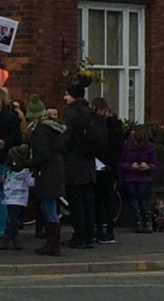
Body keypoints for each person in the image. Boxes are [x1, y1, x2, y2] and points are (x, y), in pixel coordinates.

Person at [24, 95, 66, 256]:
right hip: (55, 171)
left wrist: (27, 163)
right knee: (48, 206)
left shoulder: (41, 132)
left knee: (48, 207)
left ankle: (52, 244)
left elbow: (42, 155)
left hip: (47, 173)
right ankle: (52, 242)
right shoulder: (54, 129)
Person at [61, 85, 97, 249]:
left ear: (73, 96)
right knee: (88, 202)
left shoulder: (71, 113)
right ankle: (90, 235)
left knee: (75, 203)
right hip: (89, 163)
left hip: (73, 164)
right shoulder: (91, 112)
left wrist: (60, 149)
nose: (64, 98)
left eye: (67, 94)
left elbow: (66, 137)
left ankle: (79, 236)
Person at [0, 89, 22, 248]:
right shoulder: (12, 116)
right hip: (5, 160)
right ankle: (6, 231)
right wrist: (6, 143)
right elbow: (18, 139)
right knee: (4, 196)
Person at [92, 97, 122, 244]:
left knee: (99, 199)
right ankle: (109, 230)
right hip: (110, 167)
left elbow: (101, 145)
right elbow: (118, 147)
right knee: (107, 199)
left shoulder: (101, 125)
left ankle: (100, 229)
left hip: (101, 166)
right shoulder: (115, 123)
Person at [120, 128, 158, 233]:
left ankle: (147, 222)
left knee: (143, 196)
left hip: (144, 177)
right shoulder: (126, 146)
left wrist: (148, 166)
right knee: (133, 196)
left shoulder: (149, 147)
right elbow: (119, 163)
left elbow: (155, 165)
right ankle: (139, 222)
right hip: (129, 176)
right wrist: (130, 166)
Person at [0, 144, 33, 250]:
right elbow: (8, 184)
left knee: (11, 220)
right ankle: (15, 240)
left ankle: (6, 239)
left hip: (18, 199)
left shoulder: (24, 173)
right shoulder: (10, 171)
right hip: (9, 198)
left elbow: (30, 183)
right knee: (13, 220)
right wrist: (2, 181)